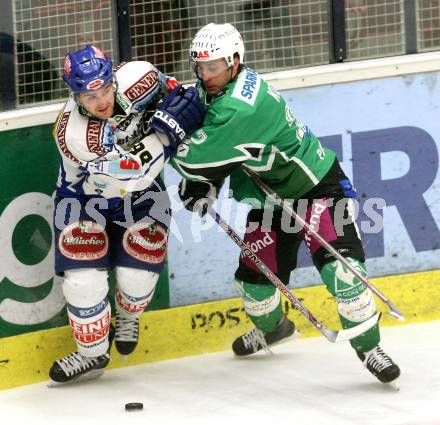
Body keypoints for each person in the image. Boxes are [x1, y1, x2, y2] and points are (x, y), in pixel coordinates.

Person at [171, 23, 400, 385]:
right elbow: (223, 154)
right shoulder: (214, 92)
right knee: (255, 286)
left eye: (212, 67)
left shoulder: (242, 106)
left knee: (343, 273)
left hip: (317, 186)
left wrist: (187, 167)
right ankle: (274, 329)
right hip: (271, 196)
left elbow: (197, 157)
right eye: (199, 67)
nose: (204, 75)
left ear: (234, 62)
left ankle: (370, 348)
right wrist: (204, 185)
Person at [50, 45, 204, 384]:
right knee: (83, 285)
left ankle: (127, 313)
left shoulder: (140, 76)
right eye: (90, 98)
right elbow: (130, 173)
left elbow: (180, 96)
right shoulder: (74, 134)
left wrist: (179, 110)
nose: (101, 101)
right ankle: (92, 355)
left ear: (112, 79)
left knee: (137, 281)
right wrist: (168, 134)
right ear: (75, 96)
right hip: (84, 200)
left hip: (142, 199)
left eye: (105, 89)